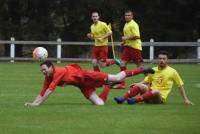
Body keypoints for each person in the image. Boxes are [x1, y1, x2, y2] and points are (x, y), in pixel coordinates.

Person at [24, 60, 155, 107]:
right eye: (41, 71)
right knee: (100, 104)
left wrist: (39, 104)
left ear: (51, 67)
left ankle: (141, 69)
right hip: (82, 85)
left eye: (44, 70)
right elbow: (43, 91)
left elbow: (50, 90)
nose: (43, 72)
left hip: (87, 76)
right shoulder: (48, 77)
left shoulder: (58, 71)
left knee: (116, 77)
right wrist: (34, 103)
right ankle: (107, 87)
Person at [114, 51, 193, 105]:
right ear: (158, 59)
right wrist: (138, 84)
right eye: (160, 58)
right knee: (141, 86)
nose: (161, 60)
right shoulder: (153, 70)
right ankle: (122, 99)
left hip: (159, 98)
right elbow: (146, 81)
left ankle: (134, 100)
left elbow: (180, 86)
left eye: (164, 59)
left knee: (156, 91)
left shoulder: (173, 71)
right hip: (148, 94)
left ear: (167, 60)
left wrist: (186, 99)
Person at [113, 9, 144, 89]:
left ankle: (151, 81)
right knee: (122, 64)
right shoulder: (126, 24)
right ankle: (122, 84)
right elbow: (128, 37)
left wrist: (126, 38)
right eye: (126, 15)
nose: (127, 17)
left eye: (129, 15)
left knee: (141, 67)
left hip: (135, 48)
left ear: (132, 16)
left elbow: (137, 36)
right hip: (128, 47)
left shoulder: (134, 24)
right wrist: (123, 42)